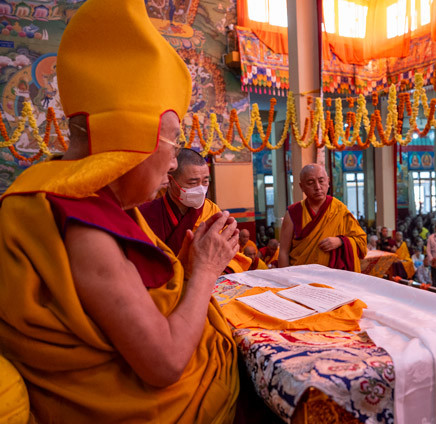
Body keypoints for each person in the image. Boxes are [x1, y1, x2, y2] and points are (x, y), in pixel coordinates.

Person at [0, 0, 239, 421]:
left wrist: (182, 264)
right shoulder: (85, 224)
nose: (172, 163)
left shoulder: (49, 192)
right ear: (135, 139)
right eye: (172, 140)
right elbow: (163, 364)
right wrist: (204, 270)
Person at [140, 148, 253, 274]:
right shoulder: (146, 213)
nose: (200, 189)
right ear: (171, 181)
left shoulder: (212, 211)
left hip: (204, 280)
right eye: (193, 182)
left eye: (205, 181)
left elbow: (227, 255)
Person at [278, 164, 367, 271]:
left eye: (321, 181)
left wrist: (340, 241)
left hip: (334, 280)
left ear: (328, 182)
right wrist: (286, 280)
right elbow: (283, 252)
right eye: (311, 183)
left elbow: (361, 242)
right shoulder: (293, 213)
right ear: (301, 187)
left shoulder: (339, 209)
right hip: (301, 278)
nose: (317, 187)